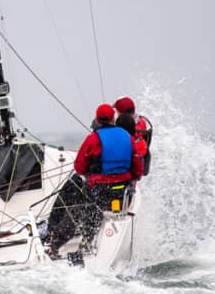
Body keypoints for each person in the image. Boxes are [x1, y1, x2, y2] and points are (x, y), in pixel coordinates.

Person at [45, 104, 143, 260]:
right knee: (91, 205)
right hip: (122, 195)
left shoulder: (93, 139)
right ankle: (88, 239)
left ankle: (54, 242)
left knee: (78, 206)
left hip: (98, 194)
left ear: (97, 120)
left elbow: (79, 167)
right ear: (113, 119)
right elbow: (138, 169)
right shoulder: (128, 138)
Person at [113, 96, 154, 175]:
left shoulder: (126, 126)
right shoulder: (142, 121)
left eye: (117, 112)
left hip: (129, 165)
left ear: (121, 113)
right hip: (140, 161)